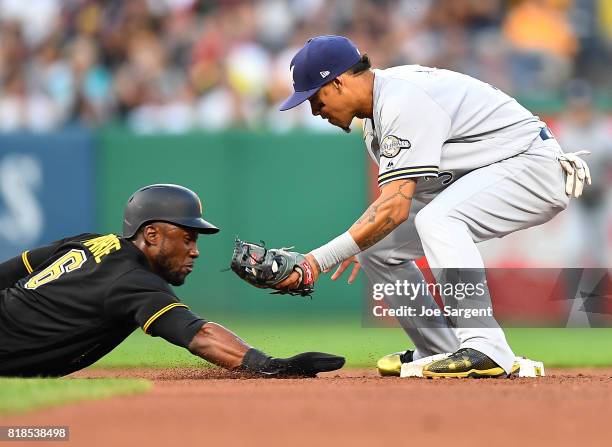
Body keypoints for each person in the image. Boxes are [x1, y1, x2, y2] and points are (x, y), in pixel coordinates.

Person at [274, 35, 591, 378]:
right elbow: (403, 203)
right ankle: (439, 349)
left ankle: (486, 346)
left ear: (337, 82)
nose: (314, 110)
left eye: (314, 98)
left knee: (440, 220)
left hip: (532, 164)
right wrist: (360, 240)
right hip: (497, 168)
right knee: (379, 250)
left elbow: (395, 209)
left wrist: (315, 261)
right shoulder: (376, 124)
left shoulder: (401, 99)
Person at [0, 184, 344, 377]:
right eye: (187, 237)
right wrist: (268, 365)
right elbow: (200, 335)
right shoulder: (133, 280)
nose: (194, 251)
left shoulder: (89, 241)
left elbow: (9, 272)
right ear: (151, 234)